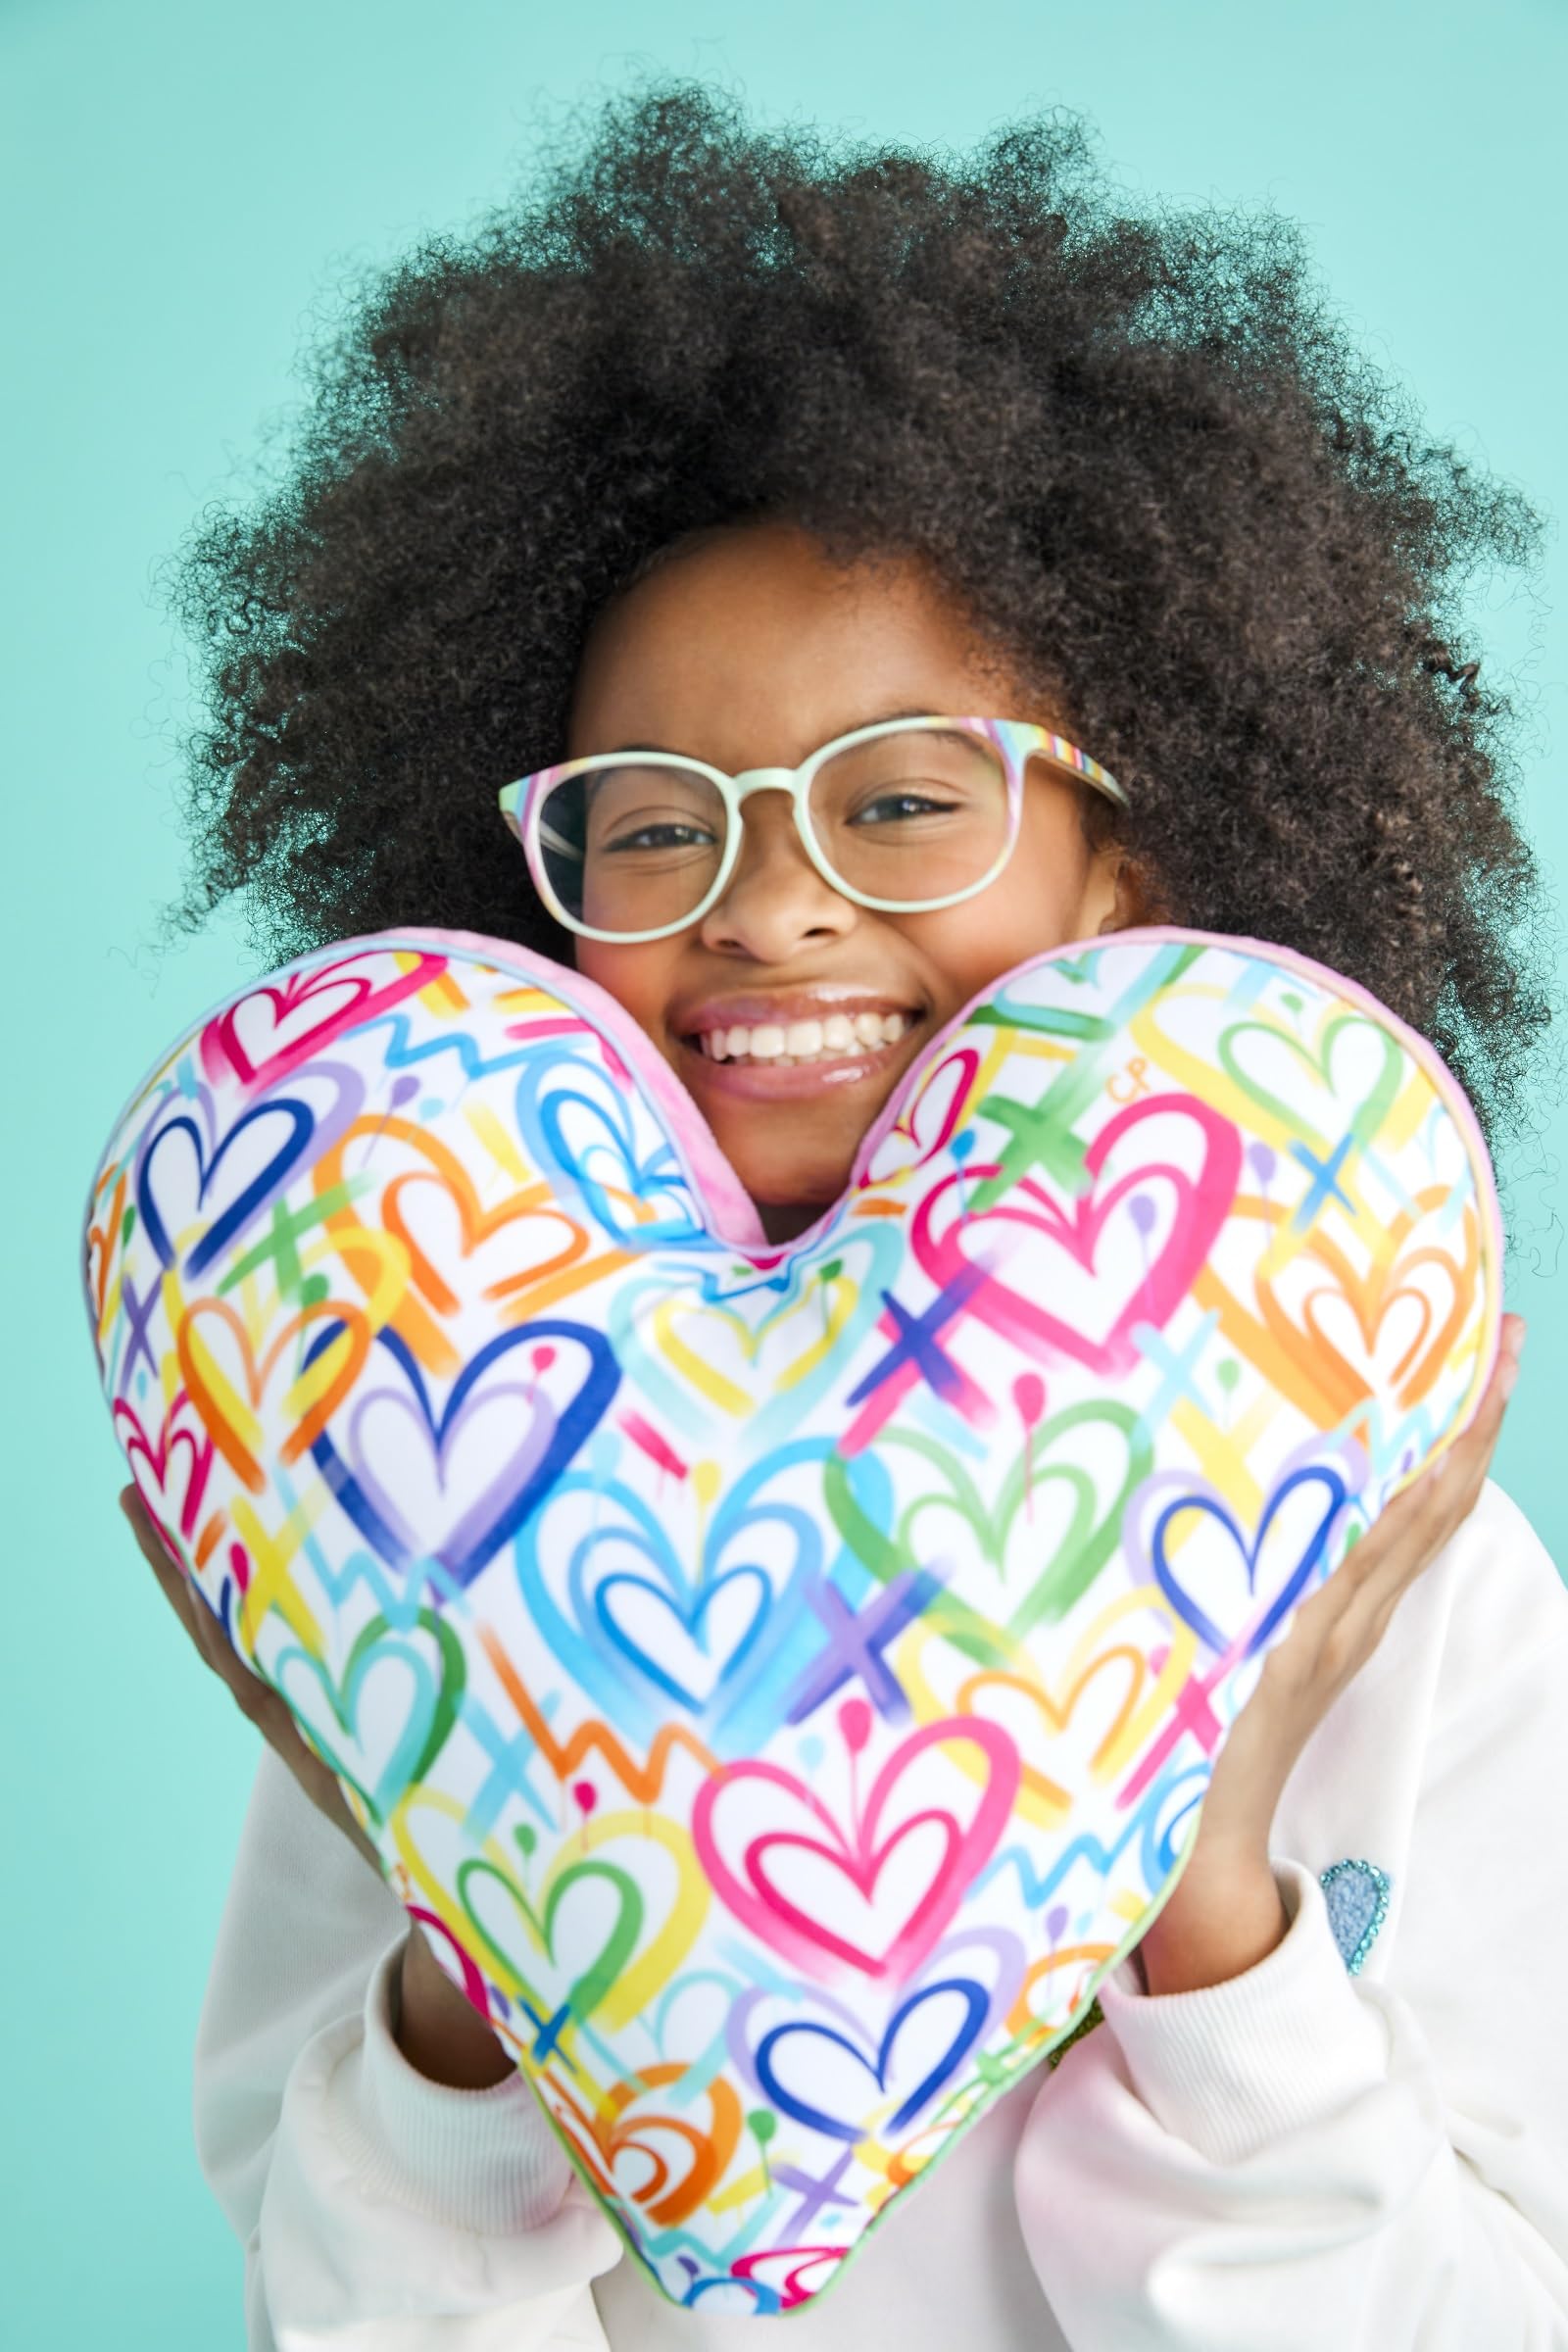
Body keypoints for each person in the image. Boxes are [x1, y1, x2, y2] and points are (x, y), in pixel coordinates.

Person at [123, 80, 1568, 2349]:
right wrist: (467, 1927)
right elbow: (348, 2317)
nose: (771, 905)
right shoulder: (422, 1531)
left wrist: (1209, 1894)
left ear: (1143, 875)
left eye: (902, 799)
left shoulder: (1411, 1596)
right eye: (645, 821)